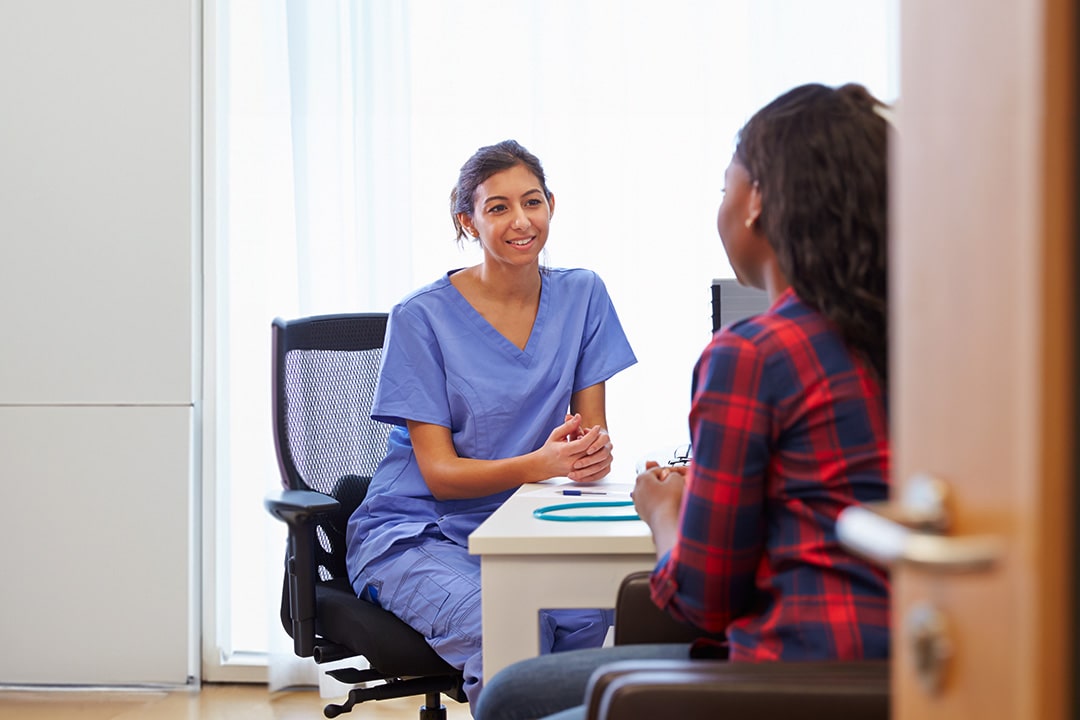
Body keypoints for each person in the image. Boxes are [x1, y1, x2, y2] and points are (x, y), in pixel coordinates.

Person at [474, 82, 892, 720]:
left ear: (755, 203)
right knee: (512, 690)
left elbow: (702, 599)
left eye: (726, 186)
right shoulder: (925, 344)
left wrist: (664, 509)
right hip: (908, 668)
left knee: (508, 699)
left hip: (790, 674)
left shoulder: (751, 354)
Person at [344, 139, 638, 710]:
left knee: (587, 610)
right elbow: (439, 475)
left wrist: (589, 455)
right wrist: (541, 463)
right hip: (415, 532)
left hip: (524, 525)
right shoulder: (421, 317)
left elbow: (586, 439)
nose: (520, 220)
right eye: (497, 207)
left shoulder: (583, 295)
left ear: (551, 204)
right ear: (467, 222)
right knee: (505, 626)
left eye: (532, 201)